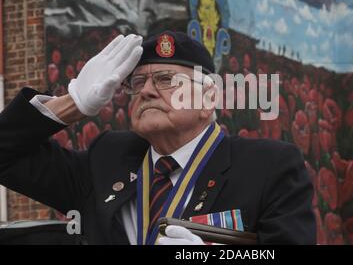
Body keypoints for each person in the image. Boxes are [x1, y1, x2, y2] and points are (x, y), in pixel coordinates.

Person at [0, 31, 316, 245]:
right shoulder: (108, 159)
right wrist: (71, 104)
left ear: (208, 99)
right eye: (137, 82)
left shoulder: (266, 166)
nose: (147, 90)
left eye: (166, 80)